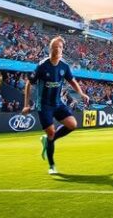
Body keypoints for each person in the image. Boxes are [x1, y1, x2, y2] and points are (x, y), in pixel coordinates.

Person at [22, 36, 90, 174]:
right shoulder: (42, 66)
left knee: (72, 125)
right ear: (50, 49)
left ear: (62, 50)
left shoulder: (64, 66)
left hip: (58, 103)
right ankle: (52, 166)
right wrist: (26, 104)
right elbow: (29, 83)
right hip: (44, 105)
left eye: (59, 47)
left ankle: (48, 140)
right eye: (54, 47)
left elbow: (72, 81)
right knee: (51, 133)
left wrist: (81, 93)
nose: (57, 49)